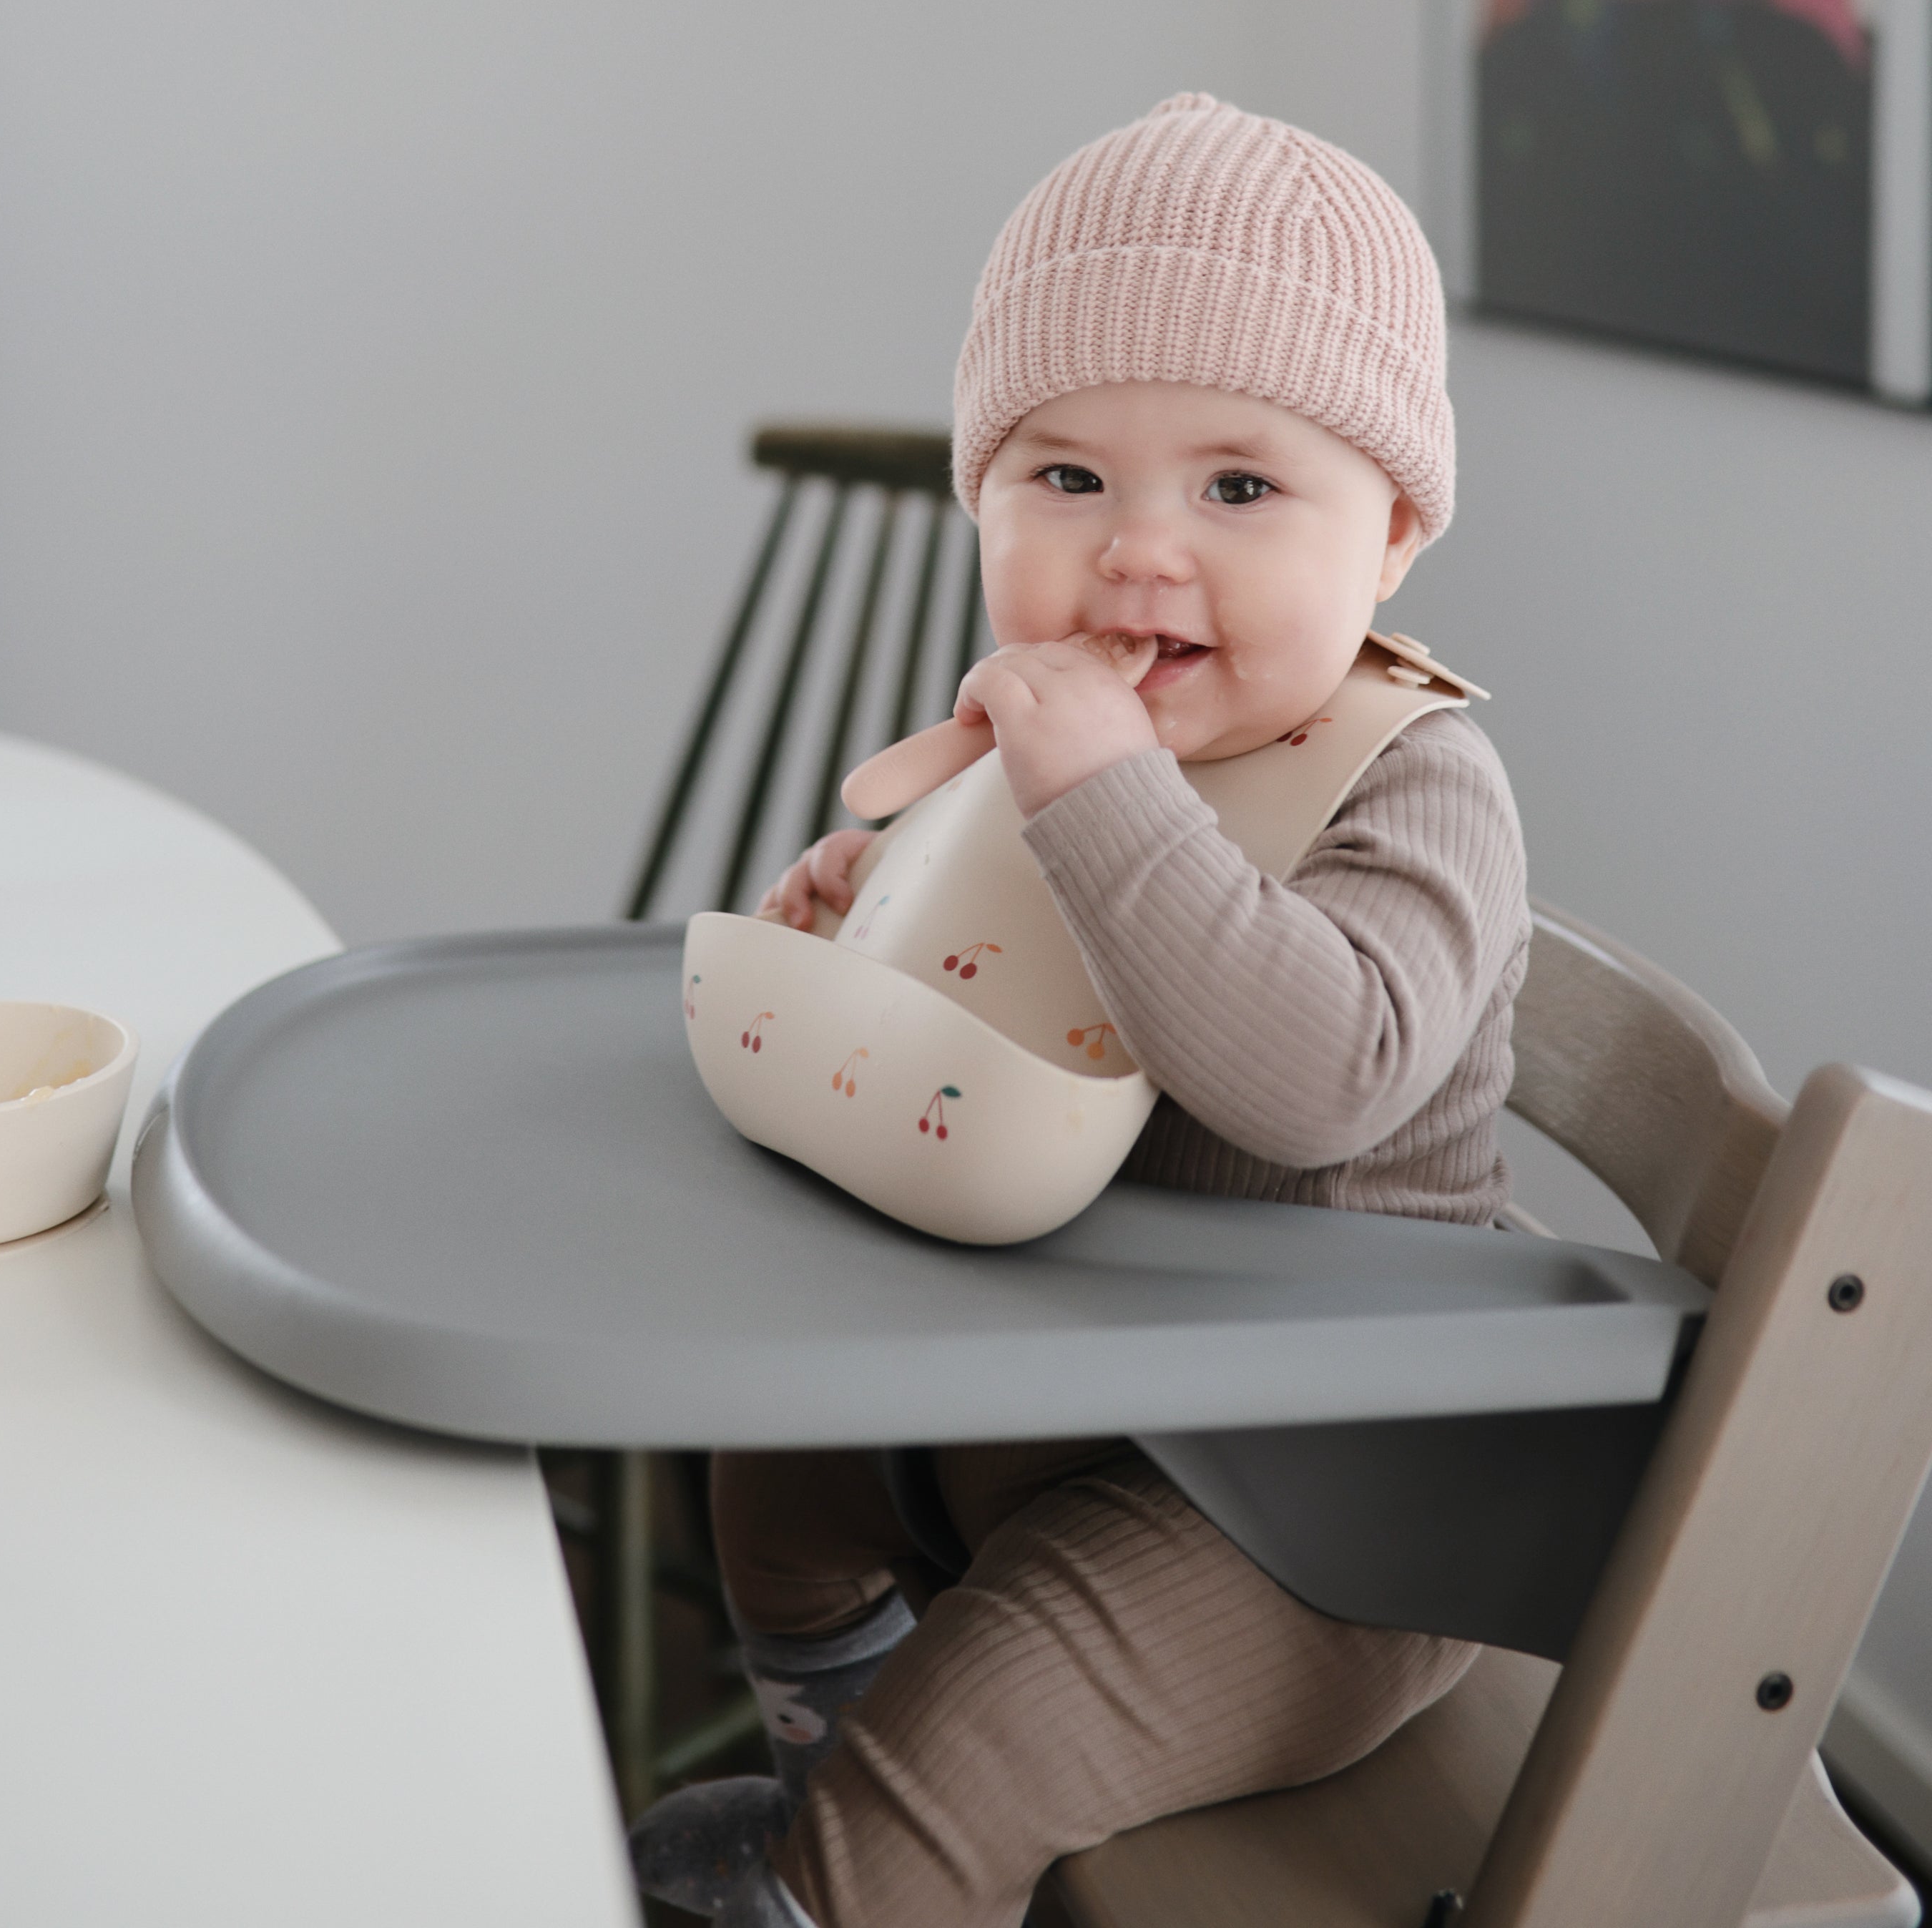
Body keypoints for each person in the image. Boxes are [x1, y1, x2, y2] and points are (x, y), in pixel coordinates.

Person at [632, 93, 1530, 1928]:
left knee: (978, 1720)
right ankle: (852, 1826)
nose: (1138, 551)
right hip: (1075, 1381)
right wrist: (873, 922)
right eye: (1065, 480)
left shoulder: (1411, 781)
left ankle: (857, 1870)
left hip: (1323, 1496)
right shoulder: (1059, 751)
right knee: (768, 1479)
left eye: (1239, 488)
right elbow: (1020, 1017)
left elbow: (1319, 1077)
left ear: (1391, 537)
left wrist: (1101, 795)